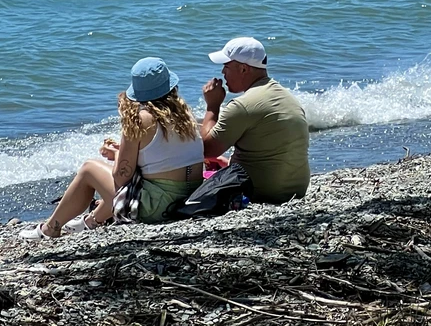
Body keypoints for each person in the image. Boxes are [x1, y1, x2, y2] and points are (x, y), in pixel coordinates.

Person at [19, 56, 204, 240]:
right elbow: (162, 160)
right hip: (190, 197)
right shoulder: (186, 115)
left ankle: (50, 228)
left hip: (158, 208)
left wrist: (117, 156)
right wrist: (119, 152)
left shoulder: (140, 119)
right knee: (132, 179)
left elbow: (121, 177)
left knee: (89, 169)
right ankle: (91, 222)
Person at [200, 36, 310, 203]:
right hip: (297, 189)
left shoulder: (242, 105)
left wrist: (212, 106)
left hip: (263, 192)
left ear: (244, 69)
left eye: (226, 66)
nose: (223, 73)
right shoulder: (286, 96)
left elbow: (207, 149)